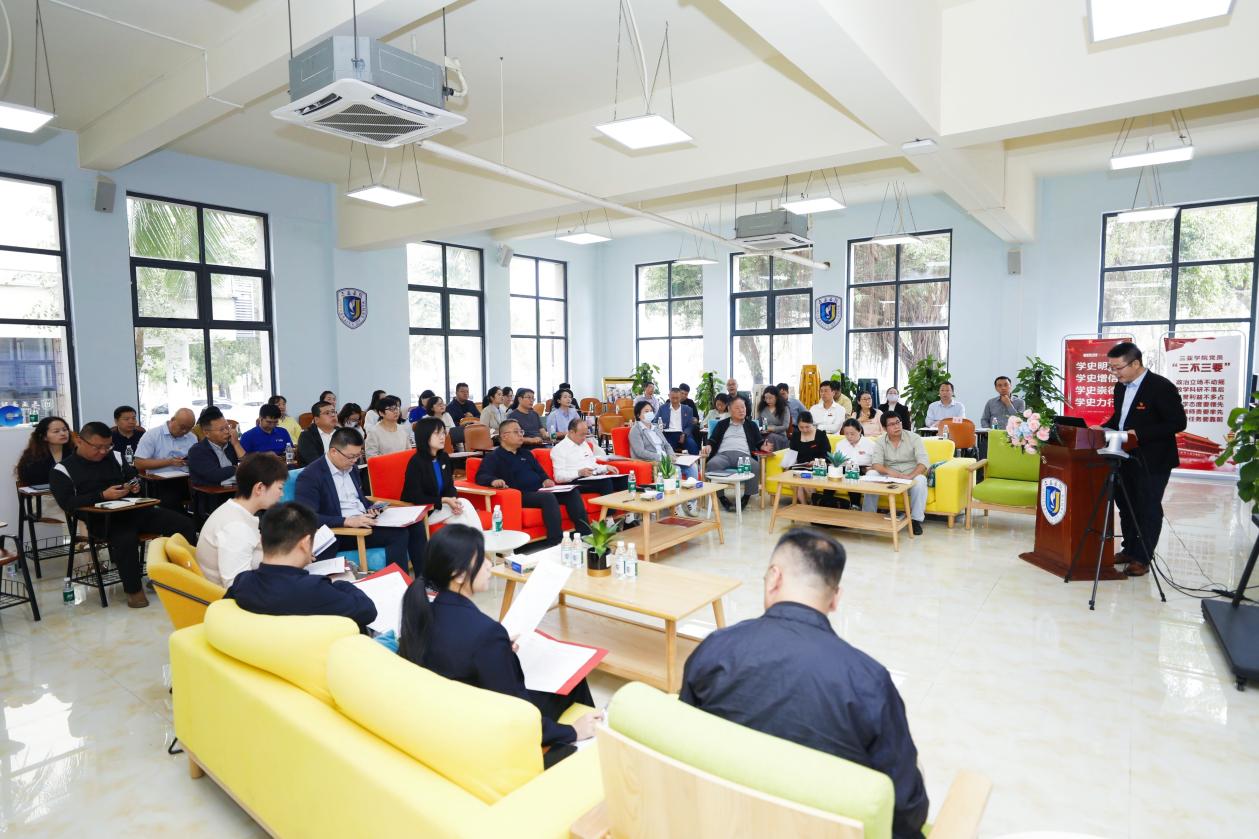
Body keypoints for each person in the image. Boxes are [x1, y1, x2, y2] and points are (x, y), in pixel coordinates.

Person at [680, 528, 928, 839]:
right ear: (835, 599)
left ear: (774, 578)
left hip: (718, 823)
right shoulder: (868, 682)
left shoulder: (715, 650)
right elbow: (907, 811)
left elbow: (683, 744)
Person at [397, 525, 602, 758]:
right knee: (573, 679)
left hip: (453, 714)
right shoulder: (486, 633)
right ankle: (588, 742)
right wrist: (572, 730)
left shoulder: (424, 612)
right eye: (481, 558)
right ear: (459, 575)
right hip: (485, 728)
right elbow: (518, 713)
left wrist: (501, 650)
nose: (488, 564)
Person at [50, 421, 198, 608]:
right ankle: (134, 590)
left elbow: (133, 477)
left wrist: (134, 486)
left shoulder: (116, 457)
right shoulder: (62, 470)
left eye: (107, 446)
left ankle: (174, 576)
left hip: (134, 510)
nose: (103, 452)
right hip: (102, 519)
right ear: (79, 441)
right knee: (126, 538)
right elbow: (67, 503)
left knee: (184, 524)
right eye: (97, 447)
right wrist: (102, 496)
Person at [1089, 341, 1186, 577]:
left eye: (1118, 368)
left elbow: (1177, 423)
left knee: (1147, 507)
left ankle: (1142, 558)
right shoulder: (1120, 387)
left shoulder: (1161, 387)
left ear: (1135, 364)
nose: (1114, 373)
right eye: (1111, 368)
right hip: (1123, 456)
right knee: (1126, 505)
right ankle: (1129, 549)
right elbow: (1120, 419)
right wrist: (1103, 427)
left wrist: (1139, 434)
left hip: (1152, 460)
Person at [225, 501, 377, 631]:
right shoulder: (315, 589)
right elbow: (368, 610)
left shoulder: (243, 582)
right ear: (305, 543)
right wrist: (339, 583)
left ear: (262, 539)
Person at [295, 427, 427, 574]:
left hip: (363, 520)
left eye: (358, 456)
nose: (354, 461)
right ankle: (399, 582)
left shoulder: (352, 468)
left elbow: (357, 499)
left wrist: (372, 506)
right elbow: (306, 518)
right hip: (342, 531)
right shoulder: (311, 476)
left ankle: (424, 579)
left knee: (416, 525)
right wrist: (347, 521)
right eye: (351, 456)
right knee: (398, 535)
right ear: (333, 452)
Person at [475, 419, 590, 549]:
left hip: (540, 491)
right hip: (520, 494)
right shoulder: (494, 457)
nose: (520, 435)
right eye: (516, 432)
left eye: (521, 431)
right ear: (504, 436)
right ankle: (555, 542)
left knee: (571, 492)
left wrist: (546, 479)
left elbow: (540, 472)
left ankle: (585, 534)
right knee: (547, 498)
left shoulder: (526, 454)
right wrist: (493, 481)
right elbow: (481, 476)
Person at [197, 452, 288, 588]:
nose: (282, 494)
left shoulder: (233, 510)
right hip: (234, 597)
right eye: (280, 488)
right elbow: (237, 586)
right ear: (259, 488)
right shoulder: (236, 527)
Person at [862, 413, 929, 535]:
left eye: (898, 422)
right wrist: (890, 472)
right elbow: (876, 464)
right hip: (889, 476)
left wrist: (909, 477)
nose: (897, 426)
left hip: (910, 475)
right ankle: (868, 515)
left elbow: (923, 463)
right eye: (892, 424)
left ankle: (915, 520)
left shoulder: (914, 438)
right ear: (884, 428)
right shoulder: (880, 441)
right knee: (871, 474)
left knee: (921, 480)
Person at [701, 395, 771, 510]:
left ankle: (746, 497)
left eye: (743, 407)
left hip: (743, 456)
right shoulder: (722, 424)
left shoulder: (751, 425)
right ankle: (721, 497)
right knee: (713, 464)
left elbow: (759, 443)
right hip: (723, 455)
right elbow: (713, 440)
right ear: (729, 409)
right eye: (737, 408)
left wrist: (764, 447)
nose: (741, 410)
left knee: (754, 465)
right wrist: (708, 445)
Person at [401, 416, 471, 523]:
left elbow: (449, 486)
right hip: (424, 511)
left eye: (443, 433)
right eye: (437, 433)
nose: (442, 437)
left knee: (463, 506)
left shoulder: (444, 457)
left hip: (441, 507)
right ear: (425, 436)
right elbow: (416, 497)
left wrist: (453, 500)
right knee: (463, 516)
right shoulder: (416, 462)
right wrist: (444, 500)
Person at [134, 407, 196, 510]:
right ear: (172, 420)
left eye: (189, 428)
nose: (185, 431)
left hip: (187, 479)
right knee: (171, 499)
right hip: (160, 481)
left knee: (204, 493)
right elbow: (139, 463)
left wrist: (190, 461)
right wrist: (169, 462)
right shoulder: (152, 435)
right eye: (182, 427)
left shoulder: (192, 437)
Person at [550, 418, 626, 497]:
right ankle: (608, 505)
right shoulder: (559, 449)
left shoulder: (584, 444)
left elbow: (593, 465)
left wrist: (606, 467)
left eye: (585, 434)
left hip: (589, 478)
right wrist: (578, 473)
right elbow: (558, 477)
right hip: (574, 481)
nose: (584, 438)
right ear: (571, 432)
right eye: (581, 435)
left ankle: (626, 505)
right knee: (605, 483)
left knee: (623, 480)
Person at [629, 400, 700, 478]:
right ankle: (675, 486)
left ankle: (693, 486)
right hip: (653, 462)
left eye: (651, 411)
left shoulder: (655, 427)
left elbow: (666, 445)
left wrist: (671, 456)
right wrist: (662, 458)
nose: (649, 413)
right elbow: (640, 452)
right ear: (638, 415)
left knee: (692, 467)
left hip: (667, 460)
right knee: (676, 469)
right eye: (646, 411)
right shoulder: (636, 430)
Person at [187, 407, 244, 488]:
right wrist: (236, 468)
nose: (227, 432)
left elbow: (249, 466)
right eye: (221, 430)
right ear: (207, 433)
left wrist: (236, 444)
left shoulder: (231, 444)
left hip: (235, 490)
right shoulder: (197, 451)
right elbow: (214, 475)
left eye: (227, 427)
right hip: (212, 493)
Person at [788, 411, 831, 505]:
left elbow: (827, 455)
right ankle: (804, 505)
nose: (804, 430)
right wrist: (788, 464)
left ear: (812, 424)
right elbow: (792, 453)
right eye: (801, 427)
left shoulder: (821, 435)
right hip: (801, 466)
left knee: (806, 478)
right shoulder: (795, 435)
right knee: (794, 479)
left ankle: (812, 504)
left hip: (817, 467)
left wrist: (816, 461)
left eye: (807, 427)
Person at [16, 416, 72, 486]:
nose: (63, 433)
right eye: (56, 431)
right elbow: (31, 481)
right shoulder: (33, 457)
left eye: (65, 430)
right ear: (44, 437)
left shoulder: (75, 452)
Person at [657, 387, 699, 454]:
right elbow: (655, 421)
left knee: (692, 446)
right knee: (666, 450)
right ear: (669, 396)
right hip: (668, 434)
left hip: (683, 433)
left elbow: (690, 425)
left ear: (680, 397)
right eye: (673, 398)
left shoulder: (688, 409)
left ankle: (695, 460)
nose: (675, 401)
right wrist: (660, 425)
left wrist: (684, 434)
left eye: (677, 398)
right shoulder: (662, 408)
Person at [296, 401, 338, 466]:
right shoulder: (306, 436)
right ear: (316, 419)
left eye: (333, 412)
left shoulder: (344, 433)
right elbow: (314, 462)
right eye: (327, 413)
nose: (333, 415)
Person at [756, 386, 790, 450]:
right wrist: (762, 430)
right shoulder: (763, 409)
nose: (768, 401)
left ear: (777, 397)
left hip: (780, 436)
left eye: (770, 398)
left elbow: (785, 426)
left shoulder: (784, 409)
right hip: (765, 435)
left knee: (771, 437)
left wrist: (771, 428)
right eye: (766, 398)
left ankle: (768, 455)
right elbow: (760, 425)